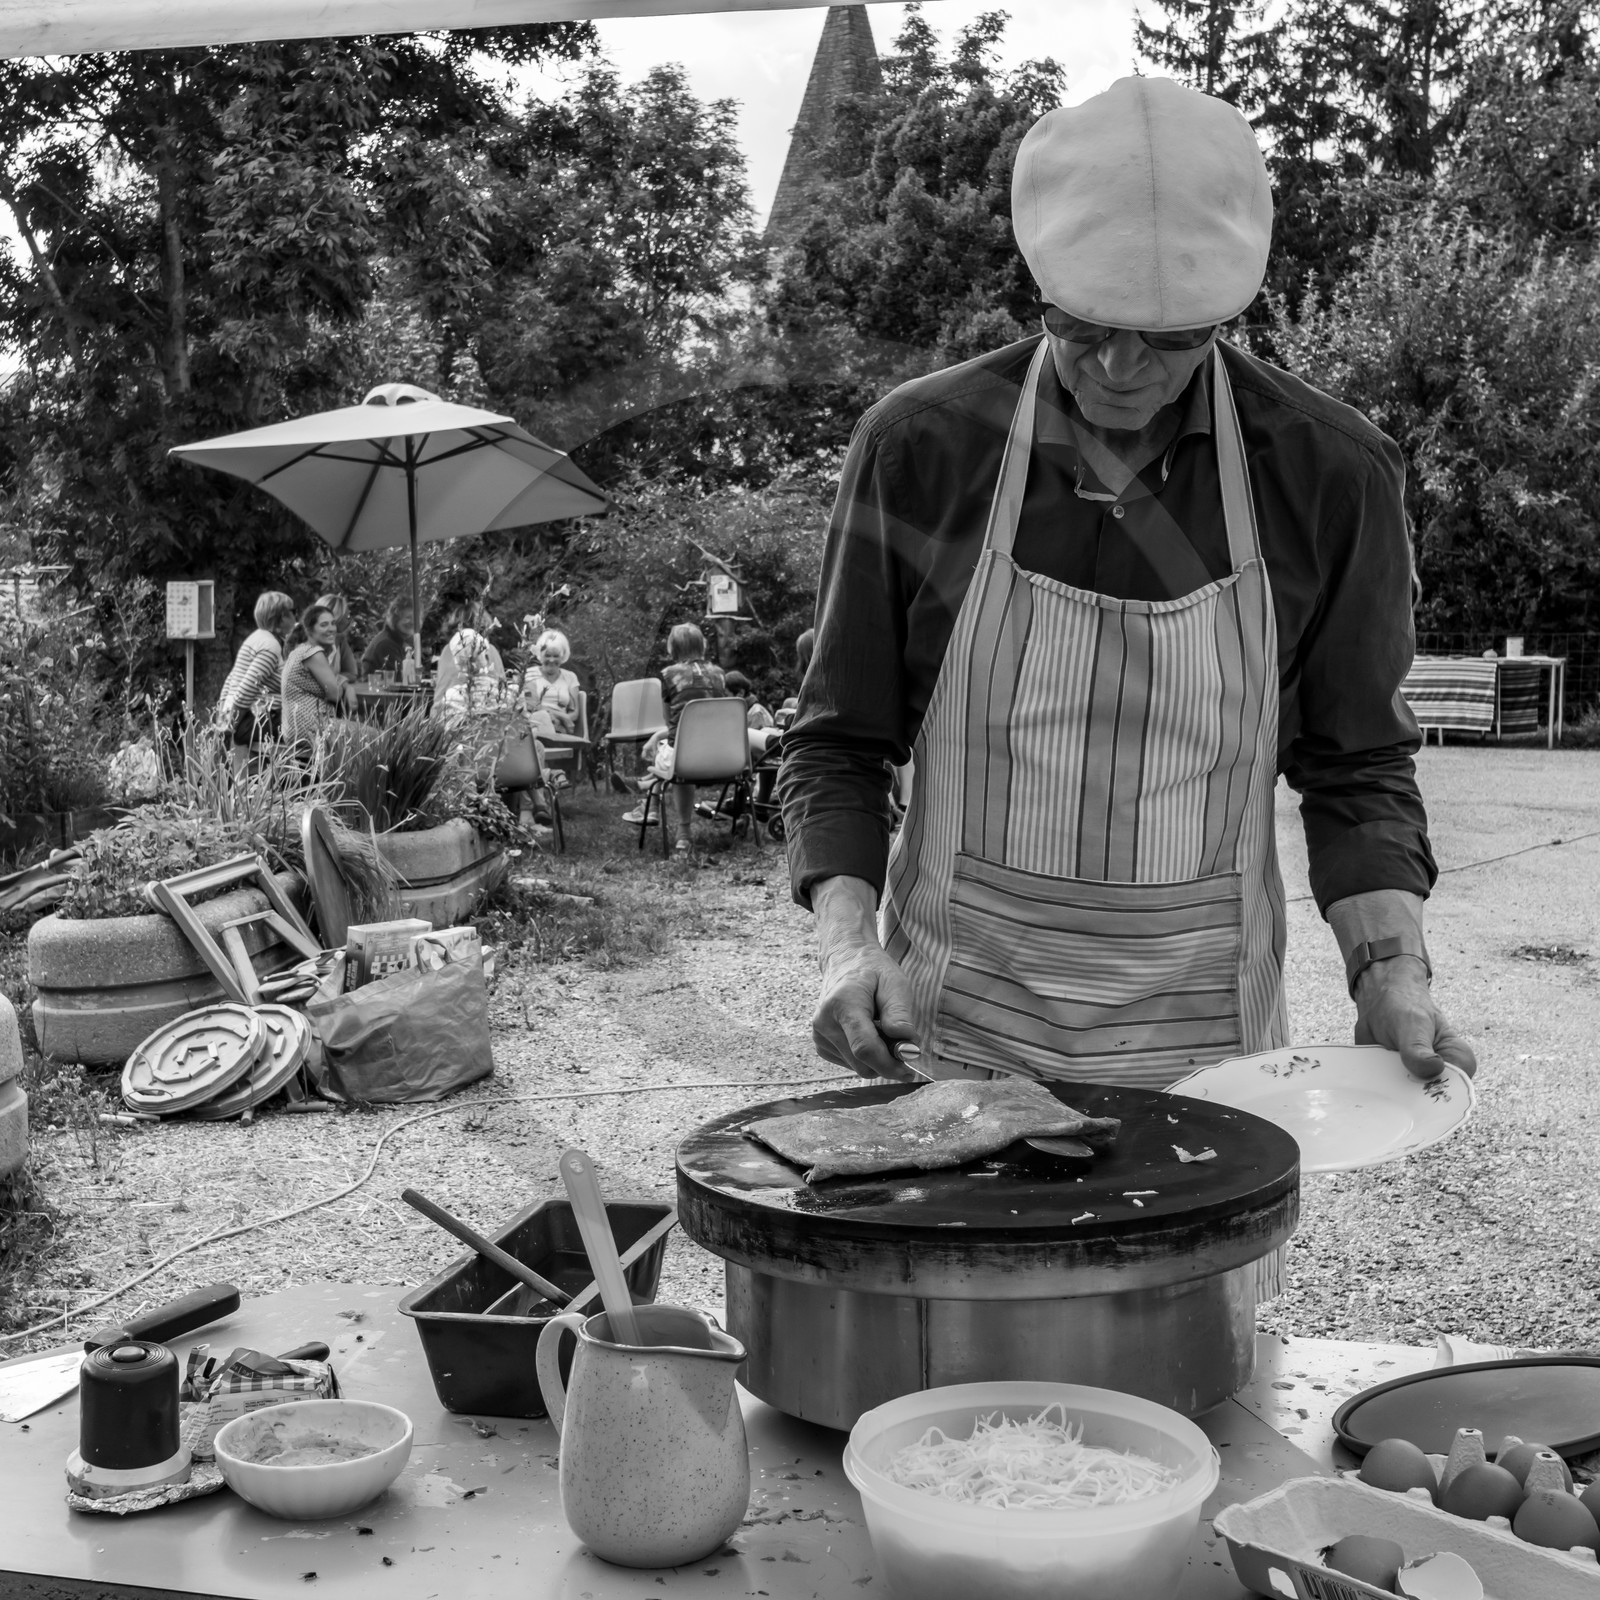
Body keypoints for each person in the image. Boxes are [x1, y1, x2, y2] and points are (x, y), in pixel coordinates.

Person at [779, 76, 1476, 1092]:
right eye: (1082, 322)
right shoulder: (920, 451)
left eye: (1169, 338)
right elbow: (839, 739)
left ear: (1227, 310)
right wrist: (848, 949)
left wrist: (1389, 972)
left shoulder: (1328, 473)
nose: (1115, 366)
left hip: (1209, 1056)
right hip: (954, 1038)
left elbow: (1356, 764)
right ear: (1041, 282)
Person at [625, 623, 726, 853]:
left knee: (675, 758)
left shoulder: (669, 675)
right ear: (702, 644)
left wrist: (655, 739)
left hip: (686, 759)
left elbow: (671, 722)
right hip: (724, 758)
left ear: (673, 648)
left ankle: (678, 827)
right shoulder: (720, 674)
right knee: (678, 752)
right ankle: (650, 799)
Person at [215, 590, 297, 778]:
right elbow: (247, 688)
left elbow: (231, 678)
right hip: (253, 718)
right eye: (293, 611)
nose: (296, 616)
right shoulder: (270, 646)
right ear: (281, 616)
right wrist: (227, 727)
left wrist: (223, 715)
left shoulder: (258, 638)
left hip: (243, 717)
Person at [281, 601, 359, 747]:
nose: (331, 629)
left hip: (296, 730)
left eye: (333, 623)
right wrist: (346, 686)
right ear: (310, 630)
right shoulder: (313, 653)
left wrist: (344, 684)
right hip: (313, 729)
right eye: (324, 625)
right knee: (379, 737)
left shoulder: (301, 650)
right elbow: (334, 694)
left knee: (367, 734)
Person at [522, 628, 581, 737]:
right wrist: (562, 716)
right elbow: (531, 707)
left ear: (563, 656)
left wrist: (562, 720)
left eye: (556, 656)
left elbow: (575, 713)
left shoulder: (570, 677)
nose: (552, 660)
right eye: (547, 655)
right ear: (540, 655)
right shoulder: (530, 674)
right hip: (536, 725)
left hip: (561, 728)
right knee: (541, 718)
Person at [312, 593, 360, 682]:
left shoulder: (340, 641)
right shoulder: (308, 642)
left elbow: (352, 673)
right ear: (337, 618)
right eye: (347, 616)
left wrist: (336, 681)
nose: (349, 621)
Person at [360, 598, 413, 678]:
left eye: (415, 618)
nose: (412, 622)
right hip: (376, 689)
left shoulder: (394, 641)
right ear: (395, 619)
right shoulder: (386, 644)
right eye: (408, 617)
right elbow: (399, 679)